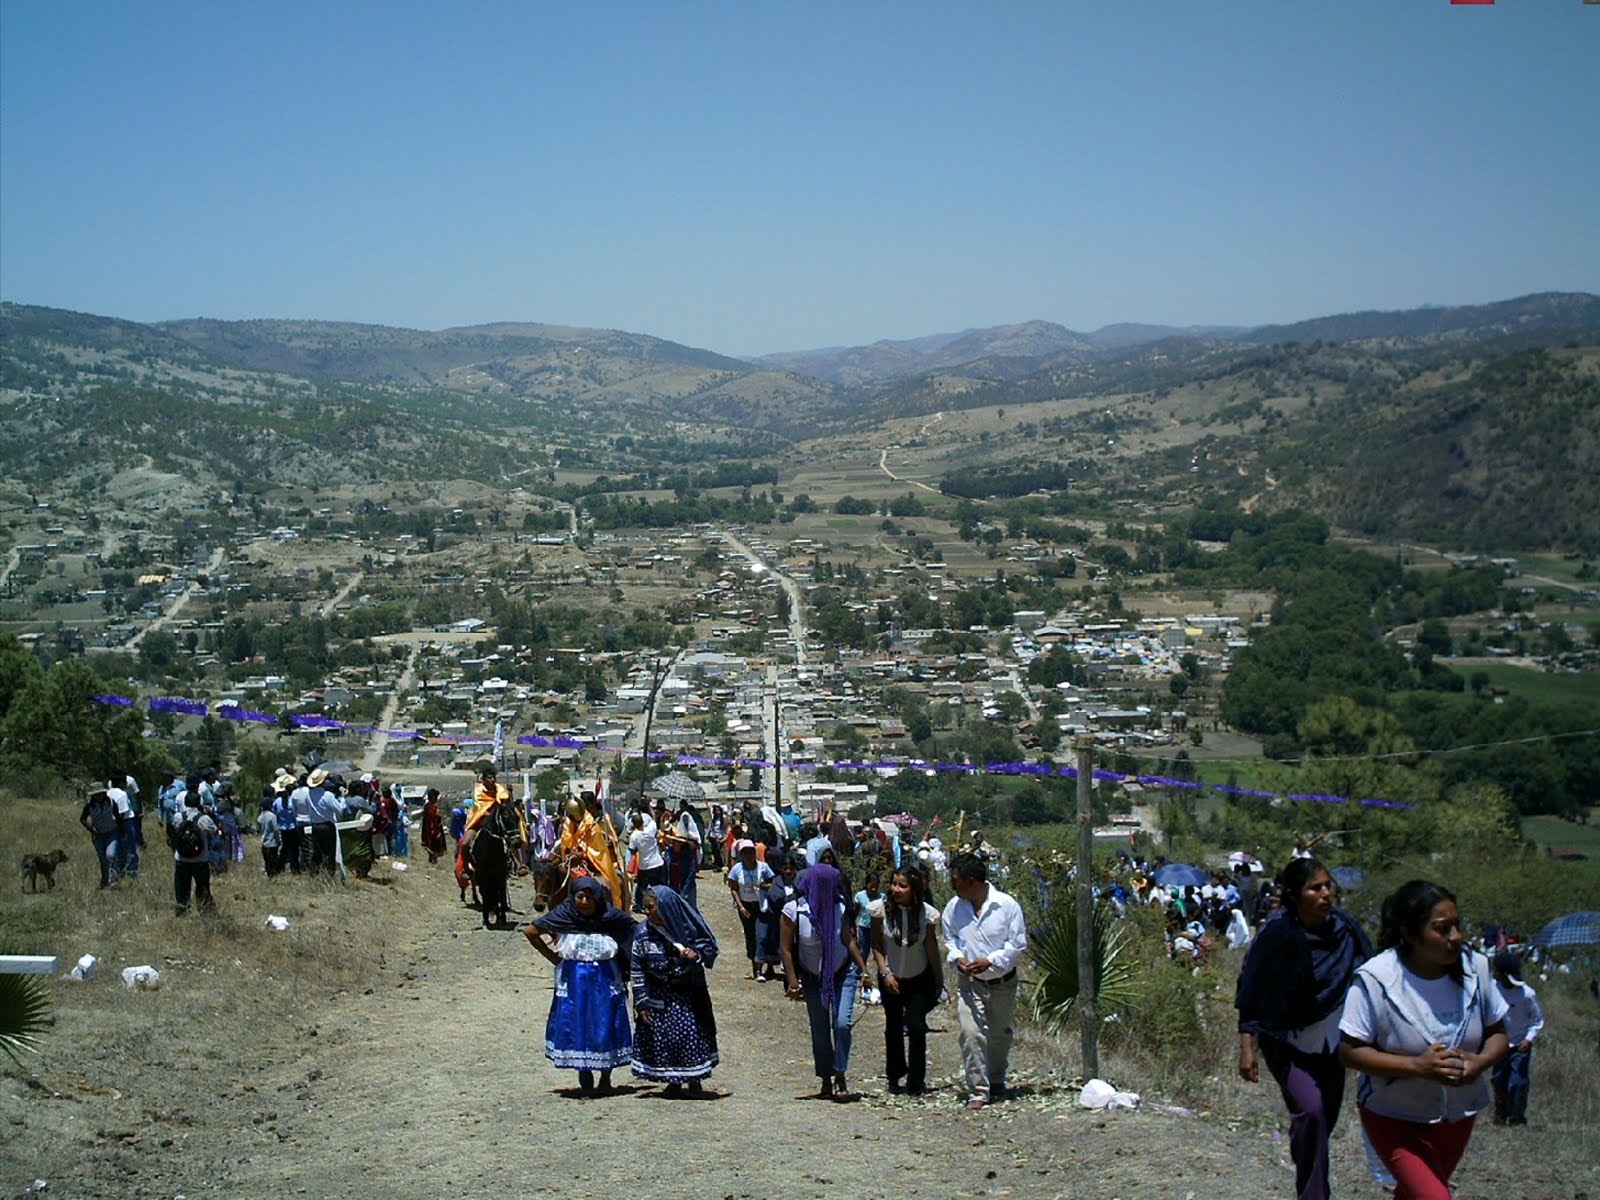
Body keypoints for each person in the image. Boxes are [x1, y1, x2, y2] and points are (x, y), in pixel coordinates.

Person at [1340, 880, 1509, 1200]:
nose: (1456, 936)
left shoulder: (1477, 969)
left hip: (1457, 1115)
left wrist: (1481, 1061)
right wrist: (1417, 1066)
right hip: (1393, 1115)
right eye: (1442, 929)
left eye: (1457, 925)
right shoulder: (1376, 979)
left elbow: (1498, 1033)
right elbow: (1350, 1052)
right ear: (1410, 934)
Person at [1235, 857, 1372, 1200]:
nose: (1326, 893)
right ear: (1296, 895)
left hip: (1333, 1044)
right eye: (1316, 888)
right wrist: (1247, 1045)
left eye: (1328, 886)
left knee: (1321, 1123)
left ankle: (1309, 1178)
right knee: (1311, 1114)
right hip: (1286, 1040)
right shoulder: (1278, 934)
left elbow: (1370, 973)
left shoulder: (1345, 930)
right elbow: (1251, 987)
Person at [523, 876, 637, 1095]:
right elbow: (531, 932)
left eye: (589, 897)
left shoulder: (611, 917)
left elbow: (635, 932)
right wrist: (555, 959)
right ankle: (583, 1070)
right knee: (577, 1021)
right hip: (574, 979)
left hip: (605, 977)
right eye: (580, 897)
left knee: (606, 1021)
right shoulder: (565, 916)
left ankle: (606, 1075)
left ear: (598, 898)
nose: (584, 902)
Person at [942, 852, 1027, 1110]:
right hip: (970, 983)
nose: (951, 884)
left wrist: (990, 961)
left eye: (955, 879)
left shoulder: (1006, 906)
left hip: (1002, 982)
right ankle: (978, 1089)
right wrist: (958, 958)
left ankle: (997, 1077)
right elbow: (950, 939)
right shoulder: (953, 908)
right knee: (970, 1033)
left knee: (999, 1034)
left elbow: (1018, 944)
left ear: (971, 881)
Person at [781, 859, 868, 1100]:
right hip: (812, 977)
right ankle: (826, 1079)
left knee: (841, 1023)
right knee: (820, 1030)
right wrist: (792, 981)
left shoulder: (839, 908)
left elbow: (848, 941)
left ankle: (840, 1072)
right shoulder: (793, 911)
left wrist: (864, 969)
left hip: (842, 972)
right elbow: (786, 949)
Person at [631, 885, 719, 1093]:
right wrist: (641, 1001)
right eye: (644, 908)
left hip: (688, 993)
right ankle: (673, 1080)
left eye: (651, 907)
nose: (647, 912)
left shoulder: (686, 929)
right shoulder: (642, 933)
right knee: (665, 1037)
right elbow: (637, 967)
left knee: (690, 1035)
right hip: (659, 994)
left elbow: (708, 947)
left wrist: (695, 954)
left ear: (665, 907)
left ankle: (694, 1079)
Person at [870, 863, 943, 1095]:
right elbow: (877, 945)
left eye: (903, 886)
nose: (897, 890)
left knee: (917, 1027)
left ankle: (916, 1079)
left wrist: (939, 980)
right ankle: (894, 1074)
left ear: (914, 888)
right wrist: (885, 972)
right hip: (891, 977)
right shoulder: (879, 911)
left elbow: (931, 948)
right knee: (893, 1027)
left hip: (918, 977)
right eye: (894, 884)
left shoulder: (926, 915)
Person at [1489, 950, 1543, 1126]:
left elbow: (1537, 1019)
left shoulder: (1526, 994)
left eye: (1496, 970)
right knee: (1498, 1080)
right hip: (1499, 1044)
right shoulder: (1493, 989)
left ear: (1504, 973)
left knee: (1517, 1082)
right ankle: (1500, 1115)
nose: (1493, 973)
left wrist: (1529, 1039)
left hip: (1520, 1044)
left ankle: (1517, 1118)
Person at [726, 840, 774, 979]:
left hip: (761, 906)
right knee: (750, 936)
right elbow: (734, 888)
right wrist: (740, 907)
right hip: (746, 906)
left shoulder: (763, 867)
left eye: (751, 852)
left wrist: (764, 886)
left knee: (762, 935)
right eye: (745, 853)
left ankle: (760, 968)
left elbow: (774, 883)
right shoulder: (737, 869)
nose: (749, 855)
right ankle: (755, 966)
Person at [170, 788, 219, 916]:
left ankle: (182, 911)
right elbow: (214, 830)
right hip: (200, 860)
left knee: (182, 888)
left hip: (181, 859)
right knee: (202, 887)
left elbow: (174, 830)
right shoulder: (203, 819)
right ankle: (205, 911)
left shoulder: (178, 817)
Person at [757, 852, 797, 982]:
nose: (788, 871)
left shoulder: (799, 882)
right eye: (785, 868)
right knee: (773, 942)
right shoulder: (777, 881)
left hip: (796, 921)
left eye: (790, 868)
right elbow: (773, 896)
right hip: (778, 919)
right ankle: (770, 968)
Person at [79, 787, 120, 887]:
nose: (98, 796)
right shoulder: (90, 805)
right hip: (98, 836)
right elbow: (83, 819)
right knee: (102, 859)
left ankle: (114, 880)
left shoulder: (111, 803)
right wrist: (92, 829)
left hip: (111, 833)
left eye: (100, 794)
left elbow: (118, 817)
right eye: (96, 795)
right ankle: (104, 881)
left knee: (110, 855)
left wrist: (122, 832)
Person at [629, 811, 668, 911]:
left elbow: (632, 850)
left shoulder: (634, 836)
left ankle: (639, 905)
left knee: (641, 887)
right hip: (657, 863)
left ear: (633, 824)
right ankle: (662, 904)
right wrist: (649, 806)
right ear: (643, 821)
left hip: (644, 865)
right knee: (658, 886)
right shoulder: (651, 829)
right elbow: (654, 818)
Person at [420, 788, 448, 864]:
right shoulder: (433, 807)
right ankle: (433, 860)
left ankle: (431, 859)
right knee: (434, 845)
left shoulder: (427, 806)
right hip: (433, 829)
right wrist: (436, 831)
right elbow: (434, 819)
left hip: (427, 829)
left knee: (430, 844)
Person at [257, 795, 283, 877]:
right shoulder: (272, 816)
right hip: (272, 842)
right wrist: (278, 840)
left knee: (267, 860)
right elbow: (275, 829)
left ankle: (268, 874)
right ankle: (273, 875)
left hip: (264, 842)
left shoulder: (260, 817)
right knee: (273, 860)